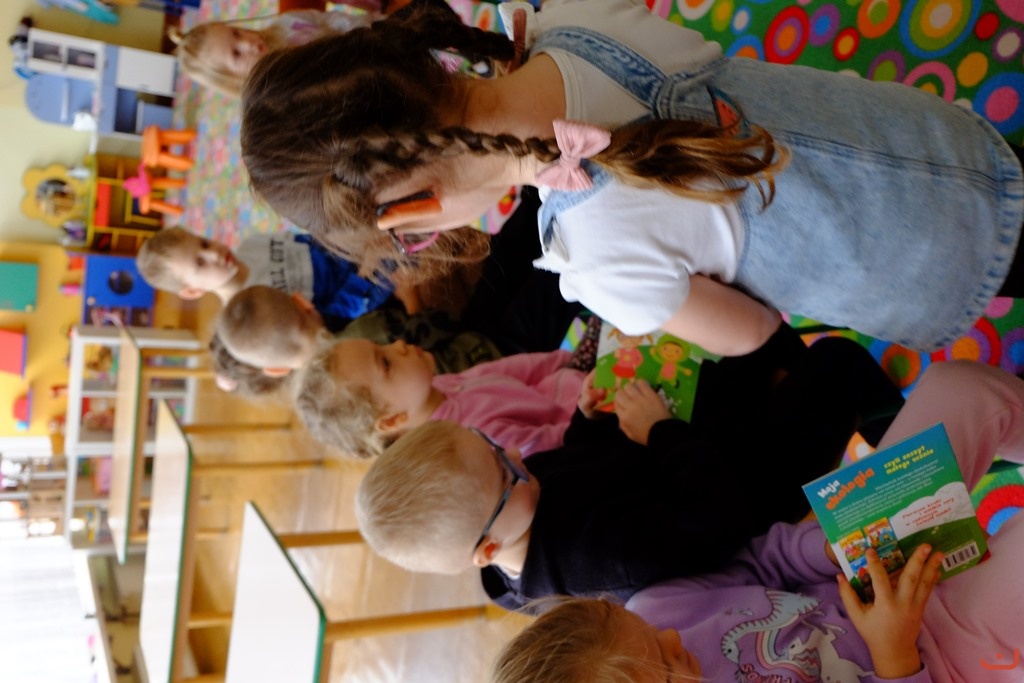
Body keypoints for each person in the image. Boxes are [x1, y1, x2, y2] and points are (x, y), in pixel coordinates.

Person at [240, 0, 1024, 357]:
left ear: (413, 214)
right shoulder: (571, 21)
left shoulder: (592, 259)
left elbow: (751, 332)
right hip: (934, 136)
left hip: (939, 261)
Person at [491, 359, 1024, 683]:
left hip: (868, 566)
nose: (673, 636)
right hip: (946, 657)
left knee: (961, 387)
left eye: (648, 631)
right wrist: (895, 650)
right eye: (667, 666)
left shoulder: (654, 607)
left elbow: (764, 561)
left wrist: (827, 548)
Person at [354, 335, 904, 610]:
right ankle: (899, 430)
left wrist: (585, 421)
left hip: (684, 451)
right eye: (504, 471)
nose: (517, 455)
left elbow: (575, 462)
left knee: (741, 349)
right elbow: (720, 522)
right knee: (837, 363)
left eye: (494, 445)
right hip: (746, 494)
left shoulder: (512, 502)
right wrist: (661, 432)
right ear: (489, 550)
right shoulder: (598, 564)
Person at [211, 285, 503, 394]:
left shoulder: (321, 405)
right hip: (482, 361)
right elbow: (442, 324)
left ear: (276, 370)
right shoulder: (366, 334)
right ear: (303, 302)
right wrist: (410, 295)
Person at [135, 227, 400, 331]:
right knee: (397, 252)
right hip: (352, 298)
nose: (213, 253)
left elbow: (310, 241)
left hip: (346, 255)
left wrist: (352, 242)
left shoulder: (251, 244)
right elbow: (328, 318)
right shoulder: (251, 311)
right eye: (200, 263)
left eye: (204, 243)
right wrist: (364, 276)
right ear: (193, 291)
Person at [170, 8, 381, 97]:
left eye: (236, 33)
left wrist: (367, 30)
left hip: (376, 40)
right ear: (230, 80)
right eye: (236, 54)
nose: (247, 43)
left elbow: (331, 20)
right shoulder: (279, 94)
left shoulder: (287, 24)